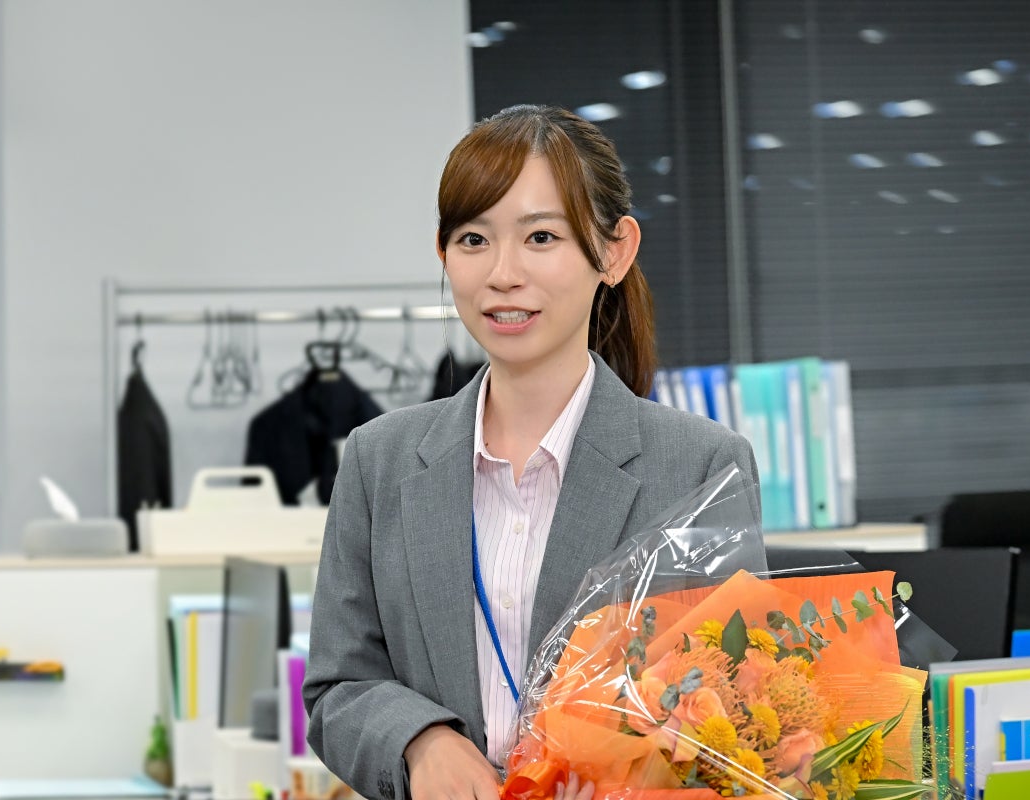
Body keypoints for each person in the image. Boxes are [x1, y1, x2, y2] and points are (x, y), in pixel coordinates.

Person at [302, 105, 762, 800]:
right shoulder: (378, 461)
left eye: (541, 236)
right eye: (473, 239)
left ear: (614, 252)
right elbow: (338, 685)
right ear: (444, 254)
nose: (503, 273)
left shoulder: (700, 466)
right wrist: (420, 740)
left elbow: (736, 708)